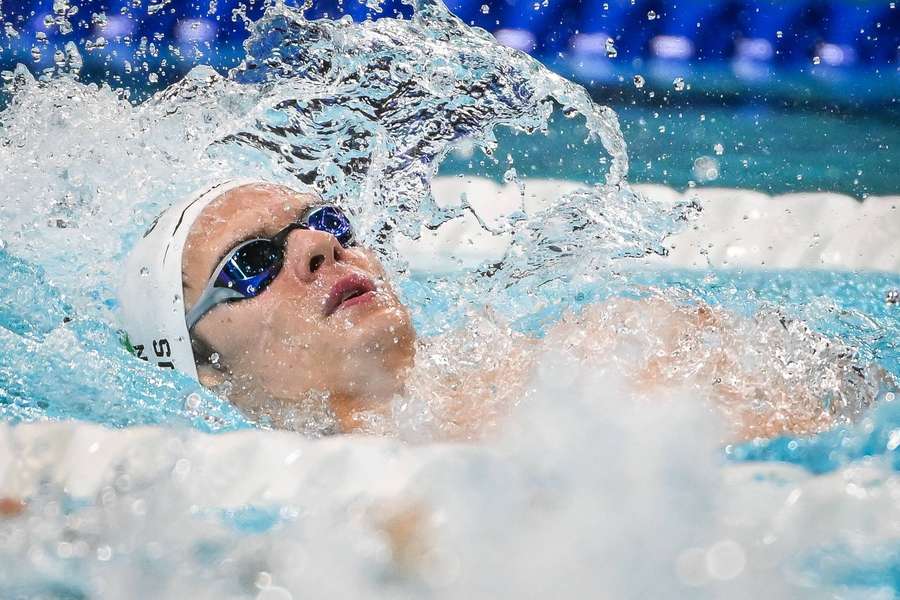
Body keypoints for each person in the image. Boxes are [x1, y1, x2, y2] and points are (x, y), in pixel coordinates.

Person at [120, 180, 890, 440]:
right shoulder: (345, 498)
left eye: (327, 222)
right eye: (252, 264)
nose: (318, 249)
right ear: (205, 373)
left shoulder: (591, 342)